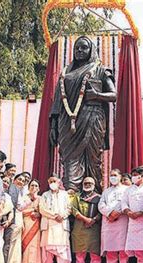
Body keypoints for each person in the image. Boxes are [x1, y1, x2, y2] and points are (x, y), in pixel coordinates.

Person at [49, 35, 117, 193]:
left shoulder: (100, 70)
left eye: (84, 47)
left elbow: (113, 95)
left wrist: (97, 96)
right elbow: (58, 101)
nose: (80, 50)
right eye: (77, 48)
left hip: (92, 119)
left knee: (93, 160)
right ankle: (71, 198)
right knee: (69, 161)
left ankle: (93, 199)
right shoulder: (65, 73)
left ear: (91, 50)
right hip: (67, 122)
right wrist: (53, 126)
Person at [122, 166, 143, 263]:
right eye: (132, 175)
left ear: (142, 176)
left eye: (136, 175)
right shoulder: (129, 189)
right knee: (138, 253)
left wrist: (141, 212)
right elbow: (124, 202)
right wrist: (128, 212)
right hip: (133, 224)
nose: (133, 177)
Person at [98, 169, 129, 263]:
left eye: (115, 175)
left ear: (120, 176)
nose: (113, 177)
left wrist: (117, 212)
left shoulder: (127, 189)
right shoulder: (106, 191)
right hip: (109, 225)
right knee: (110, 253)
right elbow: (101, 205)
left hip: (122, 224)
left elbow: (125, 202)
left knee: (123, 253)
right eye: (111, 175)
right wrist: (109, 213)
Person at [39, 175, 72, 263]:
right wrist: (55, 216)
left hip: (61, 226)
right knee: (47, 254)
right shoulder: (45, 195)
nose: (52, 183)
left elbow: (69, 208)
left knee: (62, 254)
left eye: (54, 181)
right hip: (48, 227)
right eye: (50, 182)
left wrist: (62, 216)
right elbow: (42, 209)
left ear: (59, 182)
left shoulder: (65, 194)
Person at [70, 177, 102, 263]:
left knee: (95, 256)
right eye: (86, 183)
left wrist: (93, 220)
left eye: (90, 183)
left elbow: (101, 212)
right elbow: (73, 210)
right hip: (79, 230)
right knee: (79, 257)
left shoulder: (99, 197)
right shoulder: (77, 197)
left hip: (94, 231)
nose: (88, 184)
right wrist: (86, 219)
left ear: (94, 185)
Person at [18, 179, 42, 263]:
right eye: (32, 185)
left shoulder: (41, 199)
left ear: (39, 189)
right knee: (25, 244)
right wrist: (31, 211)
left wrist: (38, 214)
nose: (34, 187)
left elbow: (43, 212)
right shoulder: (24, 197)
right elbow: (19, 210)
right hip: (25, 223)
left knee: (35, 245)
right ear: (28, 187)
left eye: (36, 186)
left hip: (36, 225)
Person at [6, 173, 28, 263]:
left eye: (23, 181)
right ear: (14, 180)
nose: (21, 182)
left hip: (18, 220)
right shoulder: (10, 188)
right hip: (10, 219)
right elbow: (18, 207)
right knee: (9, 243)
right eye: (19, 179)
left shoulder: (21, 192)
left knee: (16, 244)